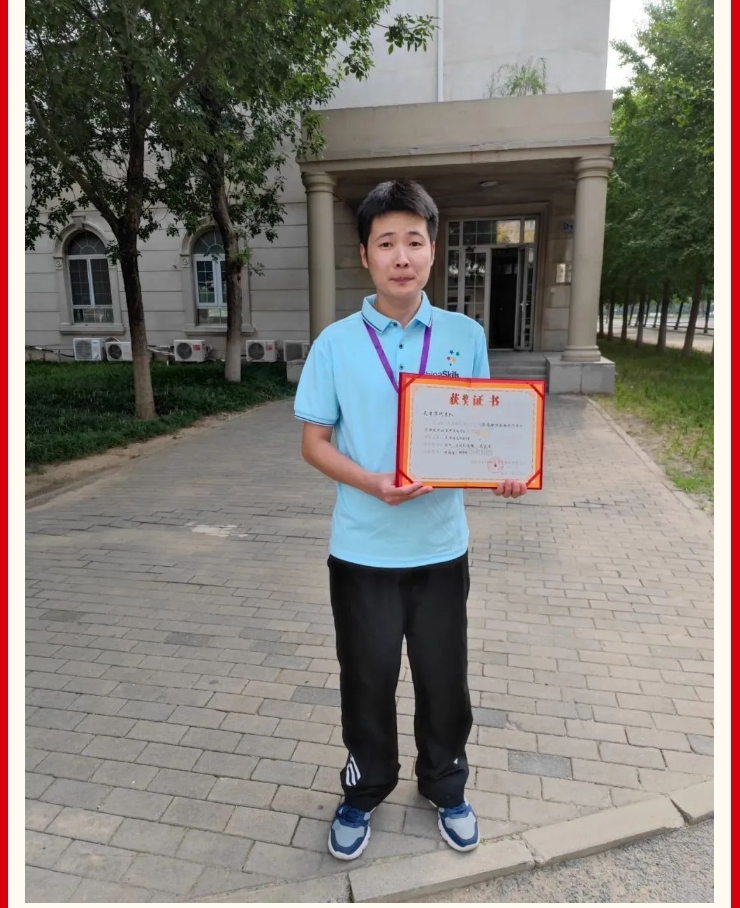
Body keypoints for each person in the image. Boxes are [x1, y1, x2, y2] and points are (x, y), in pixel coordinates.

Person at [294, 180, 527, 861]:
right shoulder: (335, 344)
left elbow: (485, 430)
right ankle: (365, 787)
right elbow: (313, 443)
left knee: (443, 678)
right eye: (387, 243)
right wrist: (371, 483)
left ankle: (446, 785)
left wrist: (505, 469)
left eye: (415, 242)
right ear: (365, 255)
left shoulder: (465, 335)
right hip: (363, 549)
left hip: (439, 547)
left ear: (433, 251)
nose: (402, 256)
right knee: (366, 680)